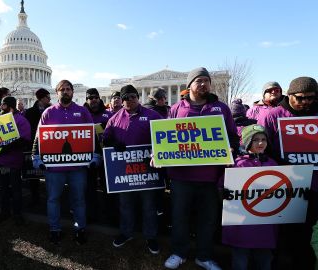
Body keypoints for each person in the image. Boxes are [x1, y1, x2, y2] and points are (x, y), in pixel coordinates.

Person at [164, 67, 239, 270]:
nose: (203, 84)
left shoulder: (221, 108)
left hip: (210, 176)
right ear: (190, 86)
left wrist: (231, 148)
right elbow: (164, 139)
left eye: (206, 80)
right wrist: (158, 154)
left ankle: (203, 256)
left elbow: (233, 135)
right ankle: (179, 252)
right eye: (199, 81)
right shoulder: (176, 109)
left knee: (207, 220)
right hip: (181, 176)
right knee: (180, 217)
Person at [257, 76, 318, 269]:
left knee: (305, 231)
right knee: (283, 233)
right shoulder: (273, 115)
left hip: (314, 185)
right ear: (290, 95)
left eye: (310, 98)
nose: (306, 102)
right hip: (284, 183)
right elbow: (260, 147)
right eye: (301, 98)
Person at [32, 80, 99, 245]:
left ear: (73, 92)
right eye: (62, 89)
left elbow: (92, 136)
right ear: (57, 93)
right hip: (54, 168)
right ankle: (55, 229)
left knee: (78, 200)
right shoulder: (48, 112)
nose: (65, 91)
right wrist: (36, 157)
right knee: (53, 199)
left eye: (68, 89)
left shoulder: (82, 111)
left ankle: (80, 229)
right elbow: (38, 137)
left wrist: (95, 156)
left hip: (77, 167)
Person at [103, 84, 162, 254]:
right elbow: (105, 138)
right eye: (126, 98)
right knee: (126, 205)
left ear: (138, 98)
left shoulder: (152, 115)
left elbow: (164, 136)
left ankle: (150, 236)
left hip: (147, 170)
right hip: (124, 172)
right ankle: (126, 233)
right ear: (121, 101)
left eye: (133, 96)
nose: (130, 100)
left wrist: (155, 150)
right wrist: (114, 144)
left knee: (149, 206)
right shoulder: (114, 119)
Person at [220, 124, 278, 270]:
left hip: (265, 225)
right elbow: (222, 188)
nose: (260, 143)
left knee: (264, 259)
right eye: (255, 140)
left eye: (263, 139)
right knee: (240, 259)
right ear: (247, 143)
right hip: (242, 224)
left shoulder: (273, 164)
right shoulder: (238, 164)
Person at [0, 96, 31, 225]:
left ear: (10, 107)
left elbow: (25, 140)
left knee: (16, 189)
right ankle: (4, 212)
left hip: (14, 162)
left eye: (3, 105)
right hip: (1, 162)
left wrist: (7, 147)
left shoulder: (21, 120)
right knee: (3, 188)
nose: (0, 107)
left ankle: (17, 214)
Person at [83, 88, 112, 221]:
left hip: (105, 156)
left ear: (99, 99)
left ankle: (109, 213)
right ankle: (91, 213)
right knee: (90, 187)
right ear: (87, 100)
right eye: (91, 98)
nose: (94, 100)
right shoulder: (82, 115)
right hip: (87, 157)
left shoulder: (108, 114)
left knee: (107, 187)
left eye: (96, 97)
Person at [24, 88, 51, 206]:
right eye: (48, 97)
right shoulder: (29, 112)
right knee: (34, 174)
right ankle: (35, 196)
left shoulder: (51, 110)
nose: (50, 99)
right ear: (41, 98)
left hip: (49, 146)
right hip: (34, 146)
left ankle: (48, 194)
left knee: (49, 172)